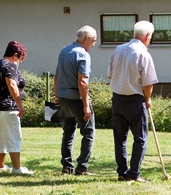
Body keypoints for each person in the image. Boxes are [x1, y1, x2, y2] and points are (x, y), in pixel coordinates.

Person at [107, 21, 158, 183]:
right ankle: (134, 173)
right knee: (140, 138)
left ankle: (122, 172)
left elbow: (110, 74)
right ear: (147, 36)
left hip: (117, 98)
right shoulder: (144, 54)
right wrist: (148, 100)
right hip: (136, 100)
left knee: (120, 138)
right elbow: (148, 83)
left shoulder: (118, 50)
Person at [0, 41, 34, 175]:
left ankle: (0, 166)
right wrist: (20, 105)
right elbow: (12, 85)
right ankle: (17, 169)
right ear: (15, 55)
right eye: (21, 59)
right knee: (14, 137)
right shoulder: (11, 66)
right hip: (7, 107)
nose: (20, 62)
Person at [54, 25, 97, 176]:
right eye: (93, 40)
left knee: (68, 132)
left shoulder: (64, 51)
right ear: (86, 39)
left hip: (64, 97)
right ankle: (82, 167)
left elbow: (57, 76)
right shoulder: (83, 55)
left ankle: (66, 167)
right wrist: (86, 106)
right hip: (77, 98)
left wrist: (57, 96)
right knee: (88, 133)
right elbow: (83, 82)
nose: (94, 44)